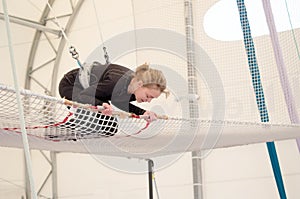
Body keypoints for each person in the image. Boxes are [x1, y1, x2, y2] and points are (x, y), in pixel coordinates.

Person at [58, 62, 168, 137]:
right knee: (94, 118)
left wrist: (143, 112)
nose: (148, 101)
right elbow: (82, 96)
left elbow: (119, 101)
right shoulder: (114, 82)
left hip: (92, 94)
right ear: (140, 84)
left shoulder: (134, 91)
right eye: (148, 96)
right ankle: (63, 129)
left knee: (110, 128)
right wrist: (101, 105)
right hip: (71, 86)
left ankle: (77, 131)